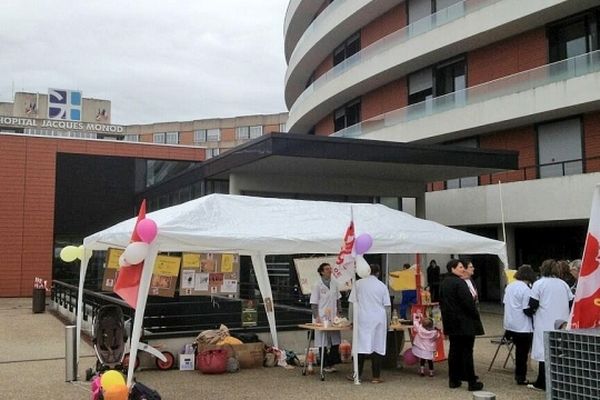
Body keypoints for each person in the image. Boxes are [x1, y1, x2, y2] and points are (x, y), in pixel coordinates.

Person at [525, 259, 574, 391]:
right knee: (559, 352)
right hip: (561, 323)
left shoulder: (539, 284)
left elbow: (533, 304)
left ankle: (542, 382)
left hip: (544, 322)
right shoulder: (564, 284)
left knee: (543, 353)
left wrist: (530, 312)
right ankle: (559, 382)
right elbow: (571, 302)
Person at [439, 259, 484, 391]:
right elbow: (468, 303)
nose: (462, 269)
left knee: (454, 351)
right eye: (460, 267)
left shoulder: (444, 283)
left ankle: (454, 379)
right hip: (464, 322)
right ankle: (471, 380)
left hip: (451, 322)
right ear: (452, 269)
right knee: (466, 352)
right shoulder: (460, 283)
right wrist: (475, 315)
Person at [348, 263, 391, 384]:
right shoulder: (382, 286)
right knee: (377, 346)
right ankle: (376, 376)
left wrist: (351, 320)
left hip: (362, 318)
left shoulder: (358, 284)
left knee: (360, 346)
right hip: (378, 319)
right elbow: (387, 307)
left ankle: (357, 374)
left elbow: (352, 304)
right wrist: (388, 323)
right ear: (378, 273)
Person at [503, 264, 536, 385]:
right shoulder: (526, 289)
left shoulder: (510, 286)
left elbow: (505, 303)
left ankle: (519, 374)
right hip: (522, 325)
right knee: (523, 352)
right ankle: (521, 376)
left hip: (510, 324)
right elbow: (526, 309)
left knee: (518, 350)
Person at [309, 262, 341, 373]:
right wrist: (316, 316)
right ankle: (324, 363)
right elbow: (314, 302)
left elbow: (338, 299)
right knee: (322, 341)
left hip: (333, 315)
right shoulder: (317, 285)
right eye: (327, 269)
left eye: (330, 269)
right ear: (322, 272)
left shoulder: (335, 283)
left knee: (335, 340)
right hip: (321, 316)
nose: (330, 271)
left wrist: (339, 313)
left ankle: (332, 362)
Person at [412, 313, 440, 377]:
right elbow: (436, 337)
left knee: (422, 359)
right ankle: (431, 372)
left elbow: (416, 324)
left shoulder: (420, 329)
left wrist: (416, 316)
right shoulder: (434, 332)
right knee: (430, 361)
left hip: (422, 348)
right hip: (429, 349)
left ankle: (422, 371)